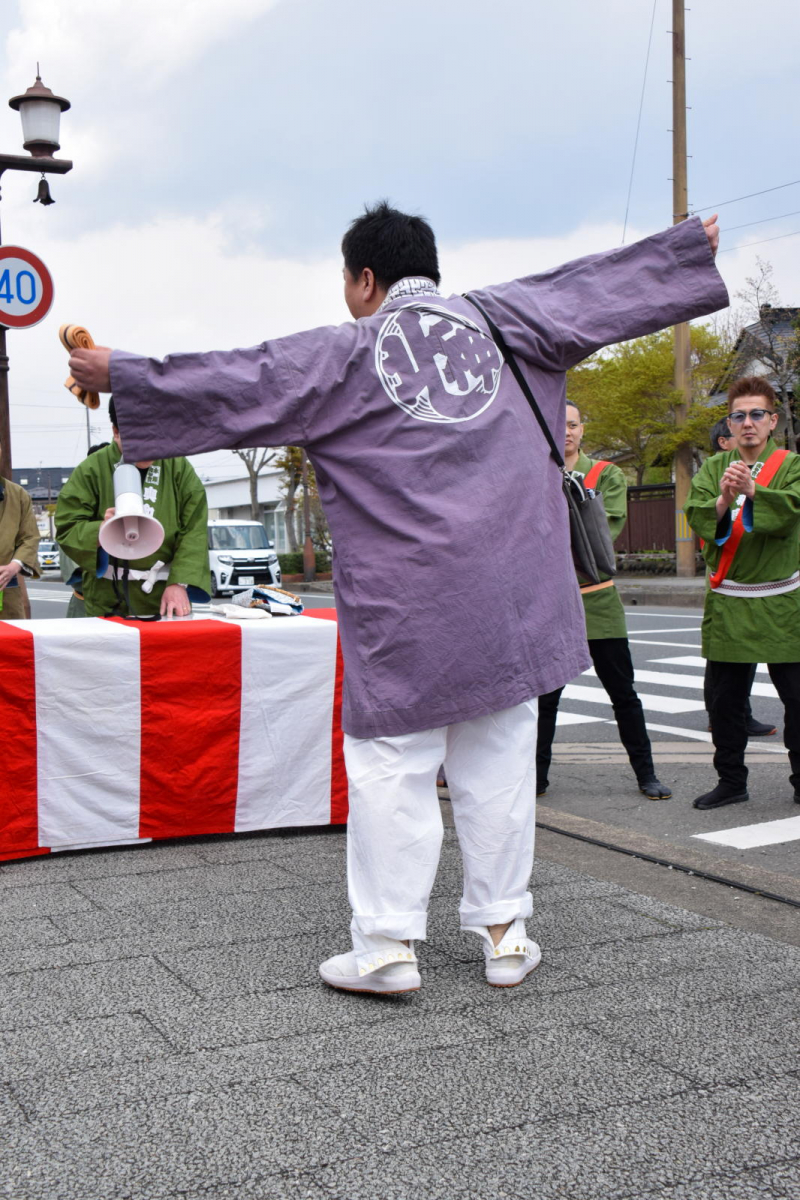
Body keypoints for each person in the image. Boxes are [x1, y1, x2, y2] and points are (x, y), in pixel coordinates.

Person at [68, 202, 727, 993]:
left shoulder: (345, 352)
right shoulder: (506, 317)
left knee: (393, 767)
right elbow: (597, 286)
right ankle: (505, 934)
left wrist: (127, 375)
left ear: (365, 279)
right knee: (501, 764)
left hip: (407, 604)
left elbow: (246, 375)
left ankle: (385, 948)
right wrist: (681, 252)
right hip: (511, 594)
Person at [536, 403, 671, 800]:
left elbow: (600, 532)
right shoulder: (533, 472)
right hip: (554, 603)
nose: (567, 432)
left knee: (623, 693)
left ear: (583, 428)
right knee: (545, 701)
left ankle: (646, 774)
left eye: (573, 424)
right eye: (558, 425)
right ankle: (537, 778)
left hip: (598, 600)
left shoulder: (606, 474)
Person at [685, 376, 800, 810]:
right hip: (731, 600)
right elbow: (697, 516)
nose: (747, 423)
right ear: (729, 424)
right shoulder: (714, 469)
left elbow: (790, 512)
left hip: (784, 602)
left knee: (798, 700)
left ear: (772, 421)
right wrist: (721, 500)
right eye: (738, 416)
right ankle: (731, 781)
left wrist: (755, 492)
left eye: (756, 415)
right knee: (724, 703)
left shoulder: (792, 465)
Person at [55, 400, 210, 618]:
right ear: (116, 432)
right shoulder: (91, 469)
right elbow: (67, 526)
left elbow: (195, 529)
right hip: (105, 595)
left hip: (163, 593)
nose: (148, 450)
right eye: (138, 441)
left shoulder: (178, 467)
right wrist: (100, 529)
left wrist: (179, 582)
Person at [702, 417, 776, 738]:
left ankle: (741, 712)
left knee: (746, 655)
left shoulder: (765, 471)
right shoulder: (715, 472)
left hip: (758, 577)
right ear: (725, 440)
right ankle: (723, 714)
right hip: (728, 574)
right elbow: (704, 518)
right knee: (724, 658)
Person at [0, 452, 40, 620]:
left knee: (11, 643)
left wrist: (13, 567)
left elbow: (30, 537)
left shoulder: (17, 494)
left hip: (7, 586)